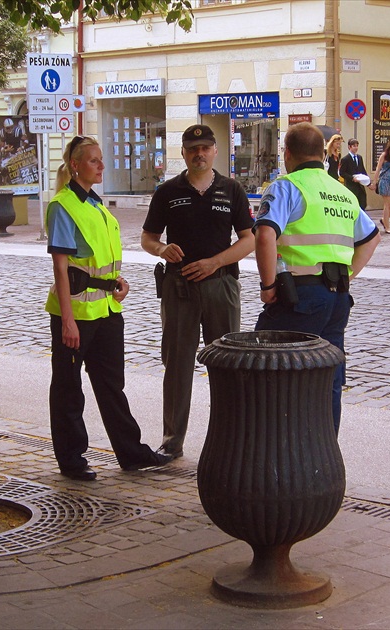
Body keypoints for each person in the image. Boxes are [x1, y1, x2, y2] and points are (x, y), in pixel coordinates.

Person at [45, 136, 172, 480]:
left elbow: (100, 261)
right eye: (94, 161)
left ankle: (131, 454)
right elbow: (60, 267)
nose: (101, 166)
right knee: (69, 388)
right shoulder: (63, 205)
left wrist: (118, 282)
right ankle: (72, 460)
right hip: (75, 314)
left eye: (101, 160)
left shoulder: (98, 206)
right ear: (75, 165)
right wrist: (67, 322)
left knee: (111, 385)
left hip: (107, 310)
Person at [253, 123, 380, 436]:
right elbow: (372, 239)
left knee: (269, 368)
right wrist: (346, 274)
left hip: (300, 298)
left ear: (287, 153)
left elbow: (266, 233)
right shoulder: (342, 192)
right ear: (323, 154)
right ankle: (323, 456)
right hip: (337, 300)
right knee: (328, 375)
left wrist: (268, 286)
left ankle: (278, 452)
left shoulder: (286, 186)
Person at [141, 124, 255, 458]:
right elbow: (147, 238)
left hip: (221, 286)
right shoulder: (167, 192)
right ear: (183, 153)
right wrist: (161, 250)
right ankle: (172, 441)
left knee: (227, 364)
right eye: (192, 149)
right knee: (177, 365)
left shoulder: (231, 190)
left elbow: (248, 239)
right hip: (179, 288)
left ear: (215, 151)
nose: (199, 154)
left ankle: (232, 440)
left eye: (205, 148)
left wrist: (215, 262)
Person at [372, 139, 390, 234]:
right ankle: (387, 226)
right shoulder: (384, 155)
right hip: (385, 181)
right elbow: (378, 169)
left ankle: (384, 219)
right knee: (387, 204)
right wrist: (374, 182)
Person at [339, 138, 370, 211]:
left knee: (362, 203)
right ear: (349, 147)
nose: (356, 148)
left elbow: (362, 170)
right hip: (351, 186)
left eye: (357, 146)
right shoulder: (345, 159)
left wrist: (368, 183)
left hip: (360, 186)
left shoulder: (359, 158)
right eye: (354, 146)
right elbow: (342, 173)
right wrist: (352, 178)